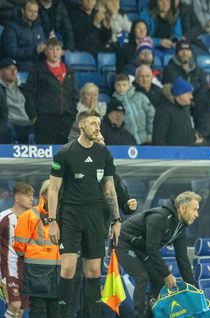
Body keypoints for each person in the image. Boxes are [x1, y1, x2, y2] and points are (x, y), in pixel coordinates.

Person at [47, 109, 121, 318]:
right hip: (70, 213)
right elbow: (53, 189)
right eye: (93, 124)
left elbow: (109, 188)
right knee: (68, 268)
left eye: (98, 123)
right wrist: (52, 221)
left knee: (94, 271)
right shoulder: (65, 152)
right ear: (81, 126)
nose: (97, 128)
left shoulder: (104, 153)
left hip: (95, 215)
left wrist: (116, 220)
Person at [116, 191, 199, 318]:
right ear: (182, 208)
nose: (197, 214)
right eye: (194, 210)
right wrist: (166, 274)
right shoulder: (159, 217)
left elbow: (183, 260)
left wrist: (194, 291)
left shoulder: (179, 229)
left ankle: (154, 314)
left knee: (159, 280)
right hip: (124, 243)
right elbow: (152, 249)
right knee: (142, 277)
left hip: (142, 248)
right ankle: (138, 316)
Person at [13, 180, 60, 318]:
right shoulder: (30, 215)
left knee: (56, 311)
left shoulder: (63, 214)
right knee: (38, 310)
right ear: (44, 195)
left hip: (57, 270)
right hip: (37, 271)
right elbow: (19, 246)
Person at [24, 37, 78, 144]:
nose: (55, 52)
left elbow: (74, 94)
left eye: (57, 49)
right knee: (45, 157)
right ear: (45, 52)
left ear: (62, 52)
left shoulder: (69, 71)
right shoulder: (37, 70)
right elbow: (29, 94)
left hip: (66, 119)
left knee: (65, 155)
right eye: (51, 49)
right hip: (45, 119)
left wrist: (73, 114)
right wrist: (33, 116)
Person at [0, 182, 34, 318]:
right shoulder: (4, 217)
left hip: (26, 271)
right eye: (28, 195)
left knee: (20, 311)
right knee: (14, 305)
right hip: (7, 269)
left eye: (32, 195)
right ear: (17, 198)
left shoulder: (32, 220)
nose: (32, 198)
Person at [0, 0, 46, 72]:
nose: (33, 14)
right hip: (20, 69)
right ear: (22, 11)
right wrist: (34, 51)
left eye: (35, 11)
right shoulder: (11, 27)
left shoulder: (39, 27)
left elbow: (43, 47)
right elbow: (11, 52)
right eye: (30, 11)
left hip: (38, 69)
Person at [151, 77, 198, 146]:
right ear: (179, 94)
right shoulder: (164, 111)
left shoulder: (186, 109)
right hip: (170, 155)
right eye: (188, 94)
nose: (191, 97)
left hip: (186, 153)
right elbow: (159, 137)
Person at [113, 73, 155, 145]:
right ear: (115, 86)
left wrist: (150, 134)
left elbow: (151, 115)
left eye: (124, 85)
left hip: (146, 140)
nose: (121, 88)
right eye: (118, 85)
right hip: (128, 143)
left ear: (129, 85)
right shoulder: (114, 103)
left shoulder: (140, 97)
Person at [0, 58, 32, 144]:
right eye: (9, 69)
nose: (13, 72)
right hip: (9, 123)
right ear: (1, 72)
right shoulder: (0, 89)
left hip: (28, 123)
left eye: (15, 69)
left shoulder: (25, 87)